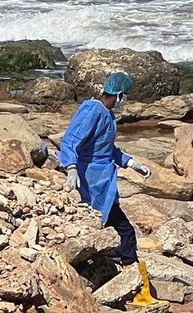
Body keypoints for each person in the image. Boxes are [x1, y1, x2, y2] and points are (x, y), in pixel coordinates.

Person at [59, 72, 151, 265]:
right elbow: (71, 139)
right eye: (124, 96)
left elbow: (106, 148)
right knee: (123, 229)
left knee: (109, 220)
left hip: (103, 178)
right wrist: (71, 167)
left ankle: (113, 258)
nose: (124, 100)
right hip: (89, 178)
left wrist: (131, 163)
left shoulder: (108, 115)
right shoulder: (92, 110)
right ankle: (132, 270)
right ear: (118, 94)